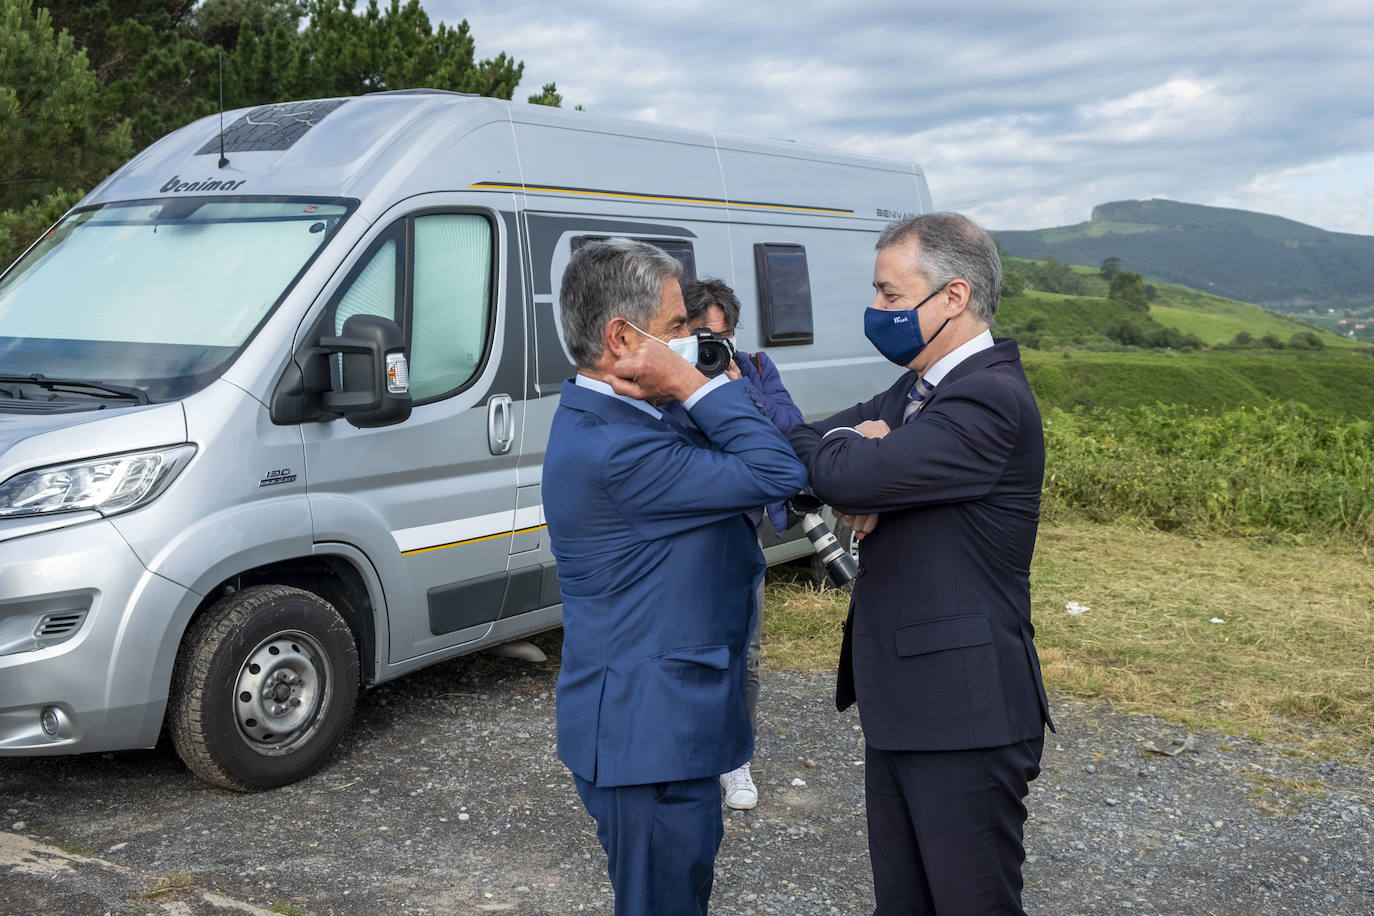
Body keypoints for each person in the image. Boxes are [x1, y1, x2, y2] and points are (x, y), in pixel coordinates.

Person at [788, 213, 1054, 915]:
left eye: (890, 296)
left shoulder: (987, 398)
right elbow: (803, 445)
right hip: (908, 704)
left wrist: (859, 465)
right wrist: (859, 446)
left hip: (964, 714)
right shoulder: (914, 393)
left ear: (954, 296)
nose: (876, 312)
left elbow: (846, 478)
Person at [544, 239, 807, 916]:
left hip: (666, 730)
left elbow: (764, 448)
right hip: (648, 742)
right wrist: (694, 384)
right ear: (622, 338)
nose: (693, 340)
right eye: (678, 328)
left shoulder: (633, 416)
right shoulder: (615, 448)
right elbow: (776, 472)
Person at [681, 277, 804, 811]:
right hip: (684, 534)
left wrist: (735, 387)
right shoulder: (664, 378)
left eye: (722, 334)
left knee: (743, 652)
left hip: (739, 532)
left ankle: (735, 757)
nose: (712, 345)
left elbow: (790, 431)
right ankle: (687, 752)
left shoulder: (753, 369)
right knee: (682, 650)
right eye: (701, 336)